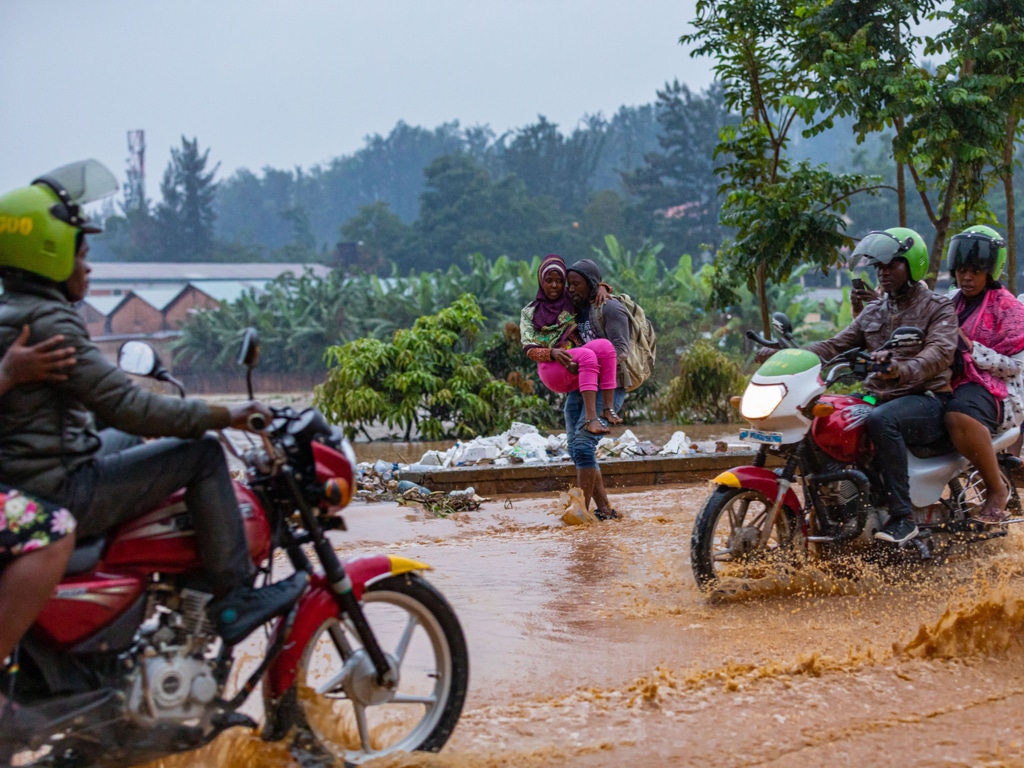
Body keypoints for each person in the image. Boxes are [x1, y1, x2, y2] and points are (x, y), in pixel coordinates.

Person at [0, 161, 307, 647]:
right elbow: (128, 407)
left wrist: (152, 414)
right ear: (52, 254)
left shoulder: (13, 312)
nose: (88, 265)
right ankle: (234, 595)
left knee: (133, 440)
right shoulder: (50, 324)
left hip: (28, 472)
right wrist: (225, 414)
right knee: (202, 454)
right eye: (83, 253)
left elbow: (99, 407)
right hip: (58, 486)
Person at [763, 228, 958, 545]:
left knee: (881, 420)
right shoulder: (874, 311)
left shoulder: (937, 307)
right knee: (821, 414)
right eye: (878, 267)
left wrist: (900, 369)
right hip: (878, 396)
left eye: (891, 265)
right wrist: (785, 356)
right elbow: (833, 346)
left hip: (926, 399)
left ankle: (902, 517)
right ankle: (833, 511)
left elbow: (938, 354)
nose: (882, 273)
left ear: (913, 265)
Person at [942, 225, 1024, 524]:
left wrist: (971, 348)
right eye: (962, 269)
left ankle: (996, 490)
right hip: (952, 383)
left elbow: (1015, 365)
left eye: (975, 271)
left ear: (990, 271)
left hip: (1000, 391)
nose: (967, 277)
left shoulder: (1010, 308)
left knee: (958, 415)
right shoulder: (949, 301)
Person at [521, 254, 620, 436]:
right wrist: (553, 353)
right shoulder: (530, 312)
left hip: (577, 361)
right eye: (549, 280)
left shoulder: (569, 299)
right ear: (540, 281)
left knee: (606, 347)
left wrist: (602, 287)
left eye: (559, 281)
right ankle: (591, 419)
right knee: (588, 355)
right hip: (551, 367)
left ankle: (608, 408)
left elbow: (585, 286)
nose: (554, 285)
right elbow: (528, 349)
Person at [563, 259, 632, 521]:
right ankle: (605, 512)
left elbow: (621, 351)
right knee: (575, 447)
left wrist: (590, 357)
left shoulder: (611, 308)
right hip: (580, 385)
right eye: (570, 285)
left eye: (576, 284)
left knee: (582, 443)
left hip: (607, 387)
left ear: (591, 285)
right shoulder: (576, 310)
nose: (571, 289)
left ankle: (580, 514)